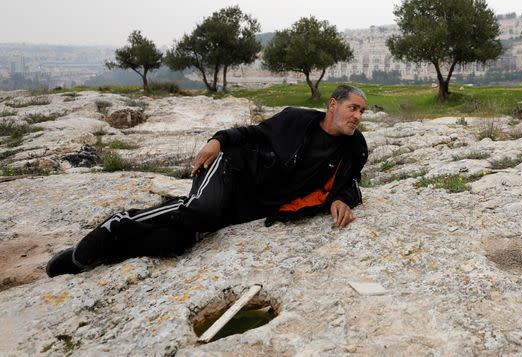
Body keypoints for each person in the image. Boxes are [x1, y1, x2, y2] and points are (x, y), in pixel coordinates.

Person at [46, 85, 368, 277]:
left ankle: (103, 254)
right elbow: (252, 133)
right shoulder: (297, 119)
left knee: (175, 242)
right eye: (352, 108)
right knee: (201, 208)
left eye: (362, 112)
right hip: (231, 168)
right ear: (332, 105)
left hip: (246, 205)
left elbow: (348, 184)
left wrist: (342, 199)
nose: (357, 116)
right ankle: (117, 223)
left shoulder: (353, 149)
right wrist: (218, 141)